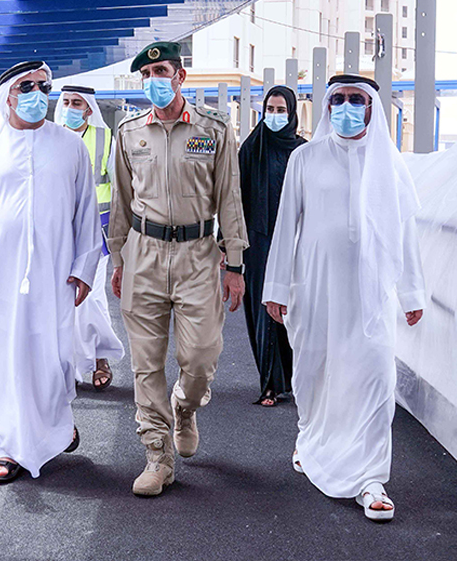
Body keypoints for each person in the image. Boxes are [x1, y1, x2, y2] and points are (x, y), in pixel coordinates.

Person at [263, 75, 425, 523]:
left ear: (373, 108)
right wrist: (276, 288)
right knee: (314, 372)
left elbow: (404, 230)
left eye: (357, 99)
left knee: (375, 376)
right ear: (328, 106)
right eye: (339, 99)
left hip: (370, 294)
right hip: (314, 287)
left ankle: (372, 478)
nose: (348, 107)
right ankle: (311, 438)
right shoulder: (305, 157)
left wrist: (411, 291)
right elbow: (285, 226)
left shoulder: (389, 163)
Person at [0, 61, 102, 484]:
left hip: (54, 274)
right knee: (0, 357)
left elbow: (86, 213)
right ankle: (7, 446)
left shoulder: (70, 146)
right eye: (26, 86)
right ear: (7, 94)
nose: (36, 93)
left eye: (43, 86)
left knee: (50, 356)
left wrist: (85, 267)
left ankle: (53, 428)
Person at [108, 42, 248, 497]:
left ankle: (185, 409)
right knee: (146, 365)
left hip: (199, 256)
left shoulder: (214, 129)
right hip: (143, 254)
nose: (154, 80)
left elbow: (229, 199)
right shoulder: (129, 133)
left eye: (161, 70)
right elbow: (122, 203)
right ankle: (157, 456)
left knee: (201, 358)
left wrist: (236, 262)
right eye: (146, 73)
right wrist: (117, 258)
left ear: (181, 76)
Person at [238, 86, 306, 407]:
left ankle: (296, 377)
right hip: (259, 244)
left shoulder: (304, 152)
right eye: (270, 109)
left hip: (296, 245)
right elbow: (234, 199)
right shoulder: (252, 149)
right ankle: (268, 383)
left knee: (293, 311)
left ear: (291, 113)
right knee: (264, 312)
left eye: (281, 110)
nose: (275, 116)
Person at [54, 85, 125, 390]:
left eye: (77, 103)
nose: (71, 107)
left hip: (97, 233)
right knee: (59, 298)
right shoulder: (51, 137)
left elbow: (121, 189)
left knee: (92, 297)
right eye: (66, 102)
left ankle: (100, 358)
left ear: (89, 108)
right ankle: (63, 363)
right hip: (58, 234)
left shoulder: (106, 138)